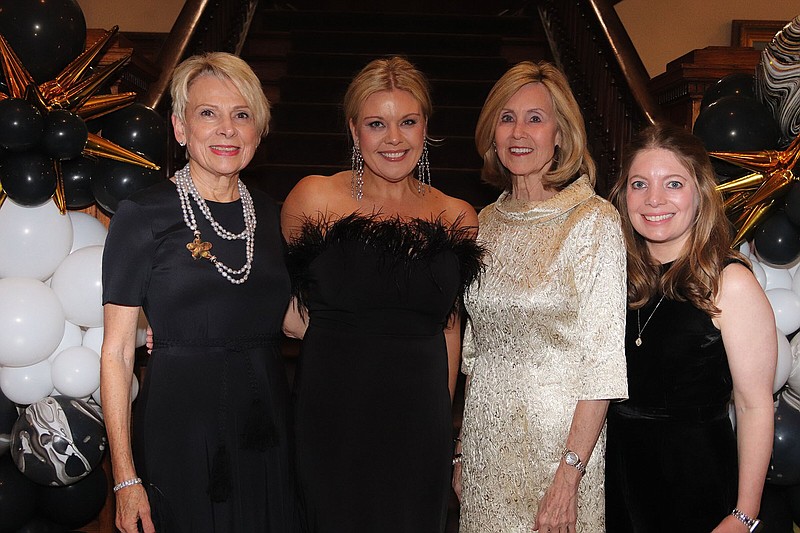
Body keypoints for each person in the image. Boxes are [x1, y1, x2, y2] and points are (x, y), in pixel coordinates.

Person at [281, 56, 483, 533]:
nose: (394, 138)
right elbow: (285, 305)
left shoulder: (457, 215)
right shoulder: (313, 199)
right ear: (355, 132)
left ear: (424, 128)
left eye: (407, 122)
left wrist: (440, 420)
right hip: (334, 412)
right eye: (377, 124)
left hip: (420, 418)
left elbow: (450, 327)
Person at [101, 52, 293, 533]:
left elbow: (294, 319)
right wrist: (125, 479)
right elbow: (118, 352)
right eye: (209, 113)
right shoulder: (142, 215)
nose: (227, 129)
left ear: (258, 131)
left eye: (242, 114)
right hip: (179, 426)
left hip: (268, 422)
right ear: (180, 127)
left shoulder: (275, 216)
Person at [453, 60, 629, 532]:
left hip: (561, 456)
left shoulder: (593, 221)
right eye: (506, 117)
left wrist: (569, 478)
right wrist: (462, 451)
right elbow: (476, 352)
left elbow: (603, 366)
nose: (518, 132)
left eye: (535, 118)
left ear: (561, 133)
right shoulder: (480, 224)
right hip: (485, 450)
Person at [605, 123, 776, 532]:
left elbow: (754, 405)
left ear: (700, 193)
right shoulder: (611, 276)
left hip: (696, 485)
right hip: (615, 480)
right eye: (639, 184)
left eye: (674, 183)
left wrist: (745, 514)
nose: (654, 200)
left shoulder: (729, 281)